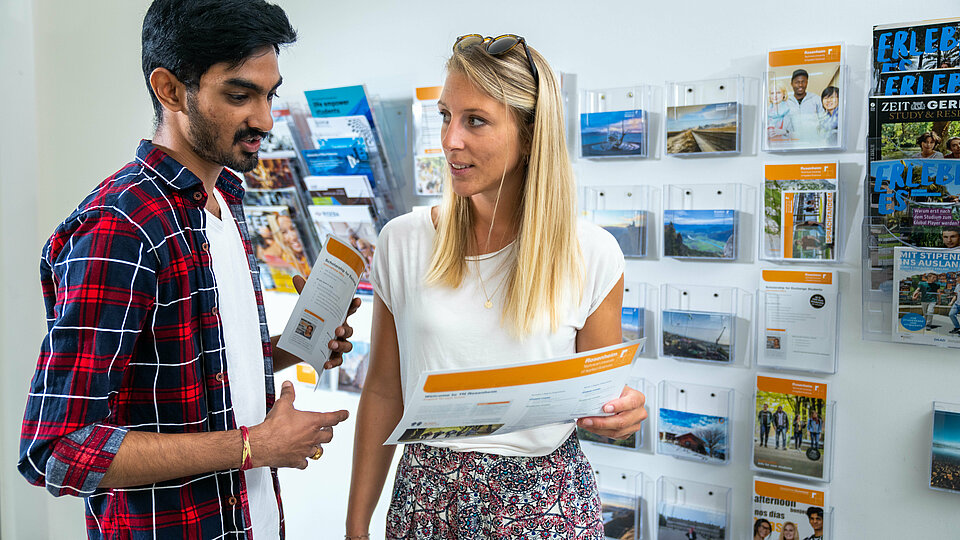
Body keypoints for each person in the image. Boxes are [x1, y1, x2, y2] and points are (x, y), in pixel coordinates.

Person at [17, 1, 359, 538]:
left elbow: (186, 371)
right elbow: (57, 450)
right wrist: (257, 446)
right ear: (171, 90)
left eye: (269, 94)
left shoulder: (223, 200)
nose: (264, 119)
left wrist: (292, 348)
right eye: (240, 95)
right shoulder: (122, 226)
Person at [344, 34, 646, 539]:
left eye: (475, 120)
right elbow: (382, 390)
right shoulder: (402, 241)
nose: (449, 140)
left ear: (529, 135)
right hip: (425, 497)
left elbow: (600, 395)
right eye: (445, 116)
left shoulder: (592, 253)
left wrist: (623, 413)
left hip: (546, 501)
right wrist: (356, 527)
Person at [785, 69, 824, 143]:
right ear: (791, 84)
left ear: (807, 83)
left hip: (814, 142)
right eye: (797, 82)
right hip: (793, 143)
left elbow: (823, 121)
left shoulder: (816, 99)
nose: (800, 85)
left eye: (803, 82)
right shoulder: (786, 102)